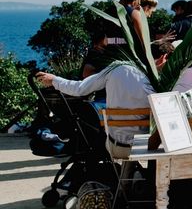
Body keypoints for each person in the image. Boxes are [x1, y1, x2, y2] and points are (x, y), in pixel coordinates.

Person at [36, 42, 171, 159]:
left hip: (117, 146)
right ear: (163, 58)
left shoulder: (118, 68)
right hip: (149, 146)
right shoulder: (164, 84)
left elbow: (80, 89)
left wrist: (54, 80)